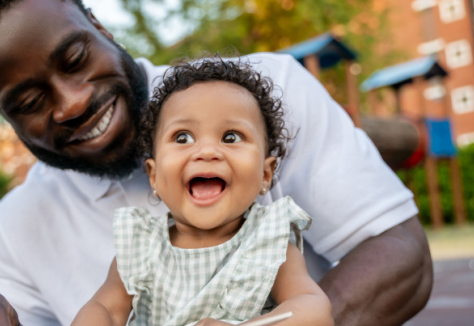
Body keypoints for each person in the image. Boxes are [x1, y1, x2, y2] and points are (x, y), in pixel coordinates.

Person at [0, 0, 433, 325]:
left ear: (99, 26)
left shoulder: (262, 101)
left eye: (74, 58)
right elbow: (100, 309)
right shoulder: (26, 229)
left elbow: (397, 253)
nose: (71, 103)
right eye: (28, 102)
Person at [72, 59, 333, 326]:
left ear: (265, 174)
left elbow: (313, 308)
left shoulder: (268, 245)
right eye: (182, 138)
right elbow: (104, 308)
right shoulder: (141, 248)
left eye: (231, 137)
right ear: (154, 176)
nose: (207, 151)